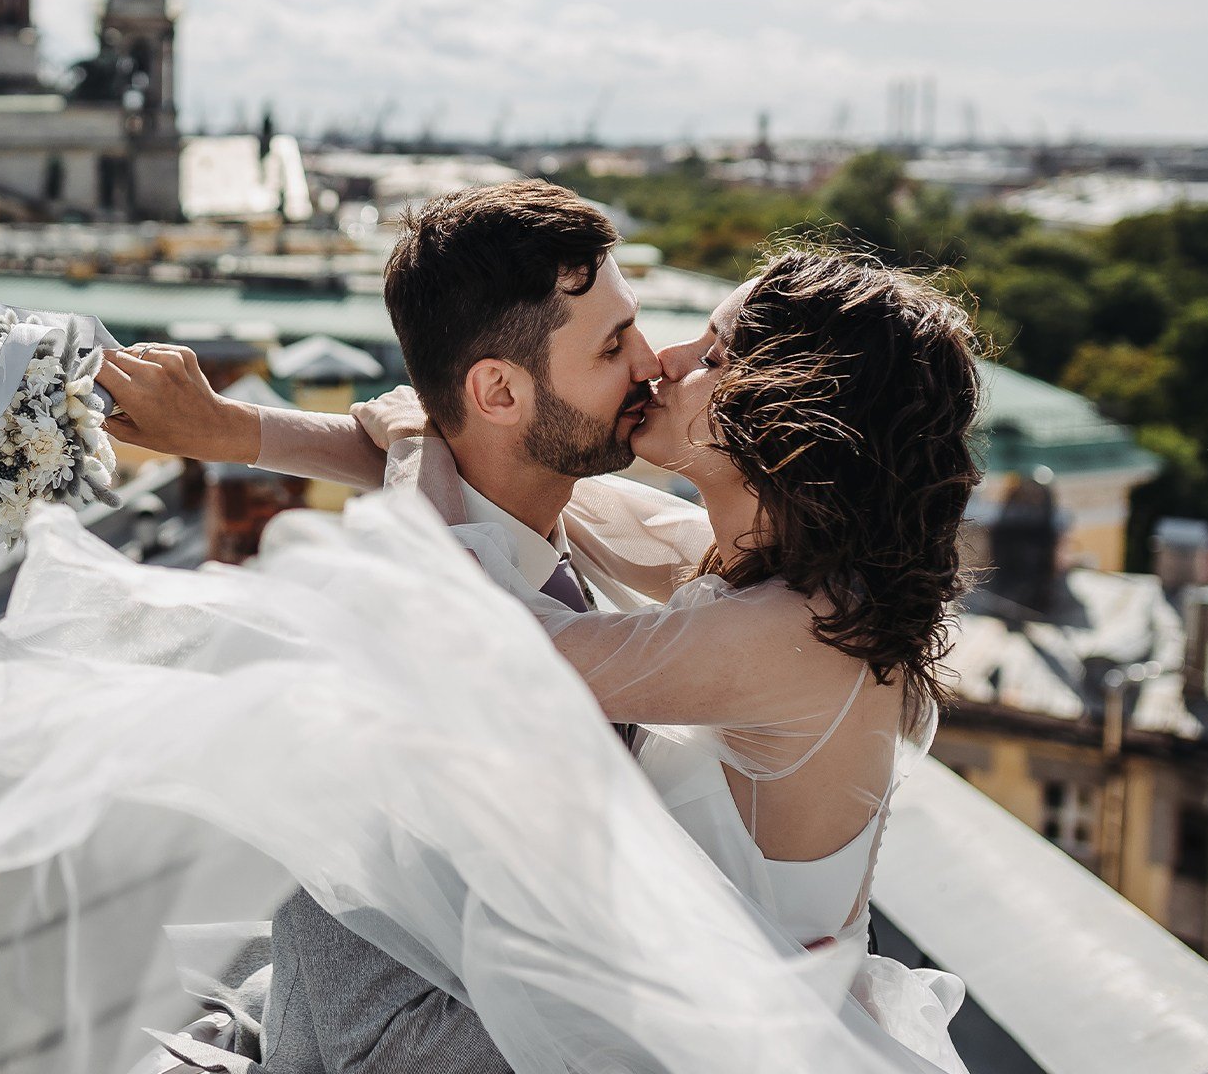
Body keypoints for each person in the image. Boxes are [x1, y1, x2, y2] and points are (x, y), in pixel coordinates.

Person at [100, 184, 982, 1067]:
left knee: (334, 807)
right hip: (675, 986)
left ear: (794, 407)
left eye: (713, 351)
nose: (664, 359)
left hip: (702, 1040)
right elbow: (495, 471)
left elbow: (490, 640)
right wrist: (232, 429)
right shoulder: (772, 561)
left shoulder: (800, 632)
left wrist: (413, 439)